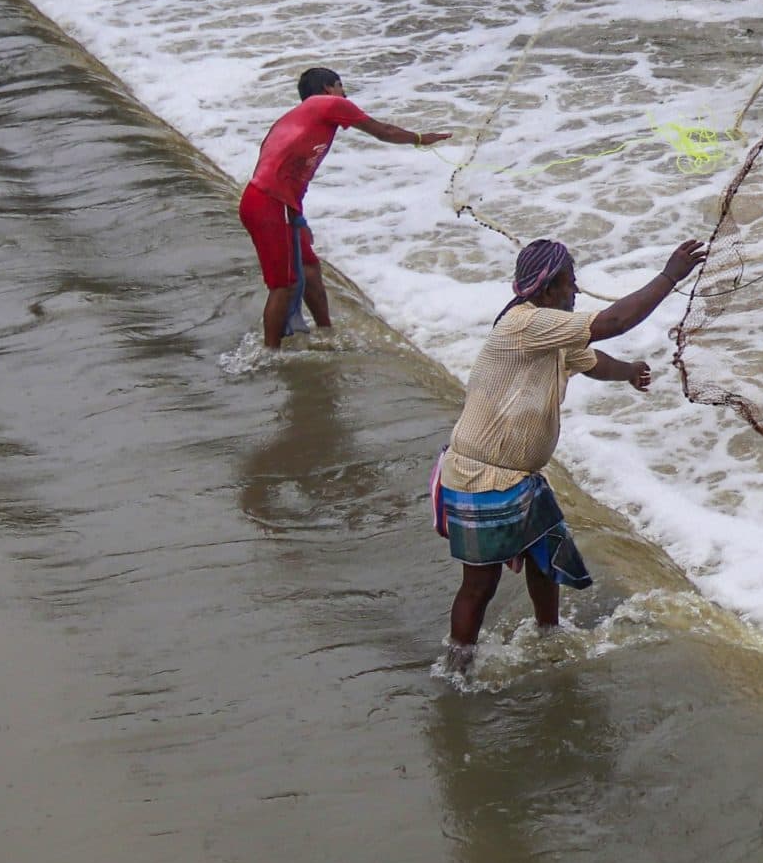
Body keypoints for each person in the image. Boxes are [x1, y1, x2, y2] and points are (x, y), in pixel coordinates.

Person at [433, 235, 705, 668]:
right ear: (545, 289)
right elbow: (615, 321)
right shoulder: (526, 324)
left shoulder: (551, 331)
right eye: (569, 283)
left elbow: (592, 360)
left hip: (520, 477)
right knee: (480, 584)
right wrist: (670, 275)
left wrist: (629, 372)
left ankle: (549, 635)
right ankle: (456, 667)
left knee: (545, 557)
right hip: (480, 477)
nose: (575, 291)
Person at [241, 66, 451, 350]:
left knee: (310, 267)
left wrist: (297, 217)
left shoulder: (294, 118)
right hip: (269, 204)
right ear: (328, 88)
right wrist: (420, 139)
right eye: (340, 85)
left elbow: (279, 167)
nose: (344, 92)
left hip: (275, 203)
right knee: (284, 284)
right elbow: (383, 131)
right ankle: (270, 354)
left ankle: (327, 332)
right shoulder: (330, 104)